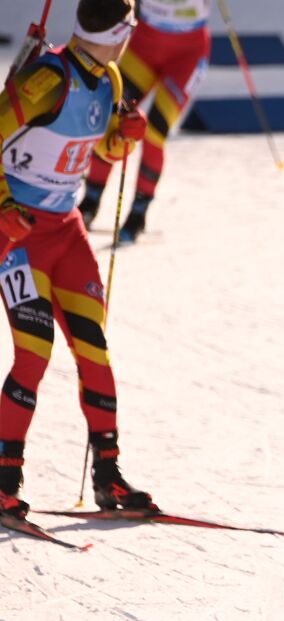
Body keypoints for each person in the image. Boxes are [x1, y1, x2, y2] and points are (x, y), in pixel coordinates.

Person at [0, 0, 154, 521]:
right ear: (116, 31)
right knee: (34, 352)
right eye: (130, 28)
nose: (132, 37)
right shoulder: (48, 78)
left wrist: (120, 140)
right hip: (21, 236)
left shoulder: (109, 79)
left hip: (67, 234)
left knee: (96, 353)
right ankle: (4, 479)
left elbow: (96, 150)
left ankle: (108, 478)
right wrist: (3, 207)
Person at [79, 0, 212, 243]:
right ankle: (91, 201)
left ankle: (138, 214)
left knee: (155, 132)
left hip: (187, 54)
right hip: (144, 46)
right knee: (113, 119)